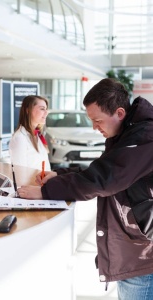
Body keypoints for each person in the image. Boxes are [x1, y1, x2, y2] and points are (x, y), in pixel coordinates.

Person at [18, 78, 153, 299]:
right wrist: (59, 176)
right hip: (135, 249)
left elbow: (105, 179)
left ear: (119, 113)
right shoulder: (127, 133)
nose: (94, 127)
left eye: (97, 120)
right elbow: (102, 170)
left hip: (143, 254)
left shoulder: (144, 136)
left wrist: (46, 191)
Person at [9, 95, 51, 171]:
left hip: (43, 182)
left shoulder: (38, 135)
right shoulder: (20, 138)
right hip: (31, 183)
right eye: (42, 109)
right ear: (28, 110)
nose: (46, 112)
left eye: (46, 109)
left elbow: (45, 165)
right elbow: (20, 172)